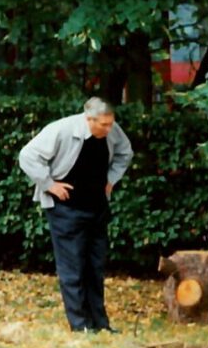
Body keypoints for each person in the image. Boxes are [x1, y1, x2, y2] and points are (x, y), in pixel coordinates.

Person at [19, 97, 134, 333]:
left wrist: (111, 180)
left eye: (111, 124)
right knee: (73, 268)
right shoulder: (61, 130)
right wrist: (49, 184)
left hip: (97, 206)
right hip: (66, 209)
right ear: (89, 119)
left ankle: (100, 324)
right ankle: (79, 324)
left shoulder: (112, 130)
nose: (109, 129)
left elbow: (125, 152)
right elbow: (27, 156)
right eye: (103, 125)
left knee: (95, 266)